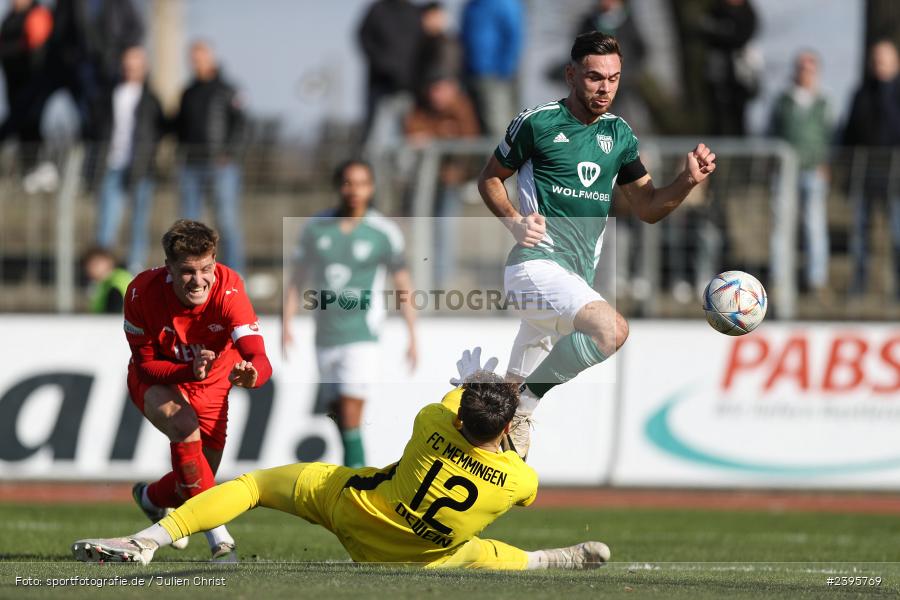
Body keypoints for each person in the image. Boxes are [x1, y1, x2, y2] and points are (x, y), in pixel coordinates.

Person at [72, 348, 610, 570]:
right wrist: (518, 431)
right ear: (506, 427)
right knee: (474, 552)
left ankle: (150, 540)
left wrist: (472, 381)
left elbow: (460, 405)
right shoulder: (519, 478)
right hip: (410, 558)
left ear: (463, 414)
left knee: (256, 486)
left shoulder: (433, 419)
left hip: (356, 509)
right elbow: (524, 487)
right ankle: (548, 560)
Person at [477, 31, 716, 459]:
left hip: (572, 281)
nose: (605, 87)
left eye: (614, 78)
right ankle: (525, 406)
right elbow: (490, 178)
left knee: (493, 434)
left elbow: (647, 207)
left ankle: (478, 437)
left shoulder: (620, 135)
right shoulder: (538, 122)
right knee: (612, 330)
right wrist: (514, 222)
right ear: (571, 75)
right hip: (534, 267)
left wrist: (686, 181)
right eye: (594, 77)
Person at [122, 219, 272, 561]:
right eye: (188, 271)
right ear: (169, 268)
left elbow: (258, 356)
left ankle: (150, 498)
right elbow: (145, 365)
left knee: (193, 479)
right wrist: (188, 368)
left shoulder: (230, 290)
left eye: (206, 269)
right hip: (158, 377)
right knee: (184, 426)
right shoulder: (140, 293)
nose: (199, 280)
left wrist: (253, 376)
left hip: (213, 382)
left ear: (215, 261)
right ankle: (221, 540)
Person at [283, 160, 417, 469]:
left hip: (362, 335)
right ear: (338, 185)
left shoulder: (383, 231)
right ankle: (351, 476)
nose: (354, 190)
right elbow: (296, 279)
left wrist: (413, 335)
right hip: (325, 334)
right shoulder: (316, 228)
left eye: (361, 183)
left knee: (350, 409)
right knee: (337, 411)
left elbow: (403, 284)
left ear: (371, 188)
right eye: (347, 182)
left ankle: (355, 480)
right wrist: (286, 324)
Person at [175, 40, 246, 274]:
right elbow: (179, 126)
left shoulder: (228, 90)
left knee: (227, 223)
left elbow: (242, 124)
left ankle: (235, 275)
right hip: (191, 166)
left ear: (211, 57)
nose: (196, 63)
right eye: (192, 58)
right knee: (189, 227)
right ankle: (192, 274)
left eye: (200, 57)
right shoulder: (188, 92)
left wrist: (229, 153)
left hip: (220, 165)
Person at [94, 46, 166, 273]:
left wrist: (149, 159)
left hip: (142, 170)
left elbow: (159, 130)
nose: (131, 68)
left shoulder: (151, 100)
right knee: (107, 222)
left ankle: (136, 272)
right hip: (112, 165)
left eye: (136, 64)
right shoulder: (109, 95)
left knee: (139, 223)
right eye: (127, 63)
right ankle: (102, 274)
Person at [404, 74, 481, 287]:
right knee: (421, 228)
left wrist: (434, 138)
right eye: (433, 90)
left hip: (450, 182)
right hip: (423, 182)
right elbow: (412, 131)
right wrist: (441, 134)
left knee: (445, 228)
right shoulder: (422, 107)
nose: (436, 96)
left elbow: (467, 140)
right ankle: (421, 277)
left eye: (441, 90)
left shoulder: (462, 108)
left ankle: (441, 280)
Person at [770, 50, 832, 296]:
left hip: (814, 171)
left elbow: (831, 135)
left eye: (810, 68)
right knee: (781, 226)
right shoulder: (782, 101)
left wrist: (826, 162)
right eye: (802, 68)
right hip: (785, 172)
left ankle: (817, 280)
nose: (805, 73)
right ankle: (779, 280)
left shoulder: (825, 101)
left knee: (815, 225)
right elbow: (770, 131)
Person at [842, 39, 900, 298]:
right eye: (876, 59)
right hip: (864, 174)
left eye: (884, 59)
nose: (879, 65)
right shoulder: (861, 92)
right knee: (860, 236)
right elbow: (850, 132)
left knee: (898, 236)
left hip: (896, 176)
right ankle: (858, 286)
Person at [357, 0, 422, 153]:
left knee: (408, 138)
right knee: (375, 138)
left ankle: (403, 175)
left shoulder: (416, 12)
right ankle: (370, 173)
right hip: (381, 86)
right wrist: (386, 69)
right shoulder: (377, 10)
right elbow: (365, 39)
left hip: (410, 89)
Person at [460, 0, 524, 139]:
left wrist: (503, 70)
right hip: (472, 75)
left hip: (495, 76)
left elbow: (514, 36)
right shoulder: (472, 5)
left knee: (497, 126)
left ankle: (501, 160)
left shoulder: (505, 4)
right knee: (475, 126)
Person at [82, 246, 131, 314]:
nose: (89, 268)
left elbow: (112, 316)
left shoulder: (116, 283)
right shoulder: (103, 284)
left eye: (95, 264)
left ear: (109, 262)